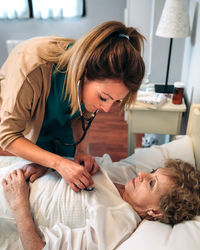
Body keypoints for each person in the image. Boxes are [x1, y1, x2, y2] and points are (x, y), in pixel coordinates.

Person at [0, 21, 145, 192]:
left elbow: (83, 115)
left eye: (115, 101)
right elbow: (7, 136)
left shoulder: (97, 67)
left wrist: (81, 151)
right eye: (104, 98)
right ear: (84, 72)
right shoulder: (31, 67)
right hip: (27, 111)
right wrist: (57, 162)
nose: (106, 109)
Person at [1, 158, 200, 250]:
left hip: (9, 198)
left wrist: (18, 202)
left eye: (151, 182)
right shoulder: (122, 187)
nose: (141, 174)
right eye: (153, 171)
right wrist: (50, 165)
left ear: (155, 212)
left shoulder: (118, 223)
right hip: (18, 170)